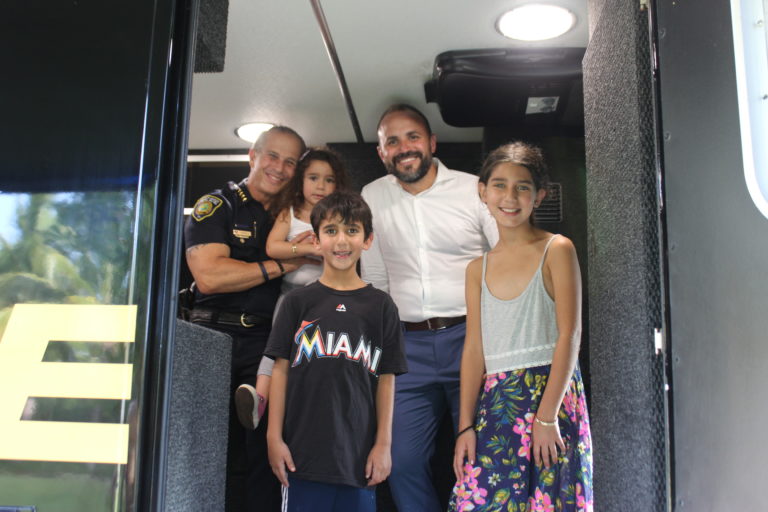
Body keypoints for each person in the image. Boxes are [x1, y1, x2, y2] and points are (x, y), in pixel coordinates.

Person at [360, 104, 498, 511]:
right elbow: (376, 277)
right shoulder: (372, 195)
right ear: (381, 152)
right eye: (392, 141)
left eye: (413, 137)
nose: (404, 147)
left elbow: (505, 259)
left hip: (472, 339)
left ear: (432, 143)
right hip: (406, 347)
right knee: (400, 462)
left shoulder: (474, 189)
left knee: (480, 458)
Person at [449, 142, 592, 511]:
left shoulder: (557, 249)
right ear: (483, 191)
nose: (509, 197)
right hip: (497, 403)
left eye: (522, 187)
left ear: (539, 195)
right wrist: (465, 426)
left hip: (552, 398)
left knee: (551, 501)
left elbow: (570, 335)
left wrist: (546, 417)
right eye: (499, 185)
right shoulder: (476, 269)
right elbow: (474, 350)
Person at [184, 125, 311, 512]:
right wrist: (281, 264)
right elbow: (210, 275)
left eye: (290, 162)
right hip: (211, 338)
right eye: (272, 156)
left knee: (265, 456)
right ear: (252, 156)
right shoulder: (218, 204)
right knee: (203, 451)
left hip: (266, 345)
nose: (279, 168)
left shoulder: (296, 214)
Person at [265, 190, 408, 512]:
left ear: (367, 240)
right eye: (331, 231)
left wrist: (383, 444)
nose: (341, 241)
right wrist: (274, 438)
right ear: (316, 240)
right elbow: (280, 370)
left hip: (358, 460)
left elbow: (387, 380)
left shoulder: (381, 306)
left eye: (352, 230)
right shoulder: (297, 302)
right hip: (301, 456)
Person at [234, 147, 349, 431]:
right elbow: (273, 247)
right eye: (313, 178)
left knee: (317, 353)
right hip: (289, 297)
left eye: (329, 180)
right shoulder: (291, 212)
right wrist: (304, 249)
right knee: (276, 348)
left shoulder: (338, 216)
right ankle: (260, 400)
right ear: (300, 180)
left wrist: (324, 249)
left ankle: (313, 405)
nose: (320, 186)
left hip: (325, 299)